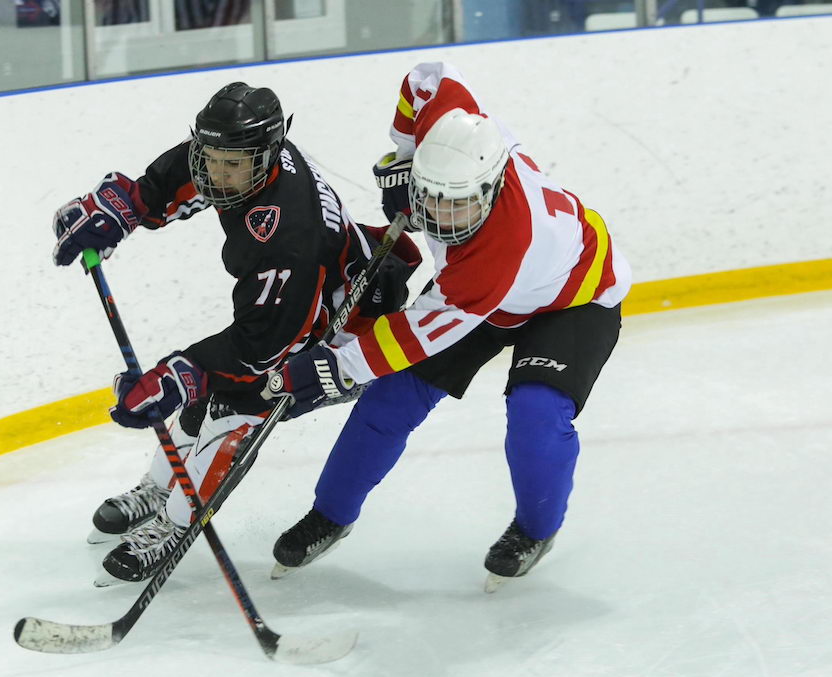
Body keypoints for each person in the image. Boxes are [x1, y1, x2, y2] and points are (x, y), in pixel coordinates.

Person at [265, 62, 632, 592]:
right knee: (391, 399)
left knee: (536, 413)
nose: (438, 216)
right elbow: (427, 79)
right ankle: (330, 514)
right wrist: (405, 155)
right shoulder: (453, 130)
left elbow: (417, 332)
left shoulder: (498, 250)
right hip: (488, 292)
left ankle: (535, 530)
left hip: (574, 298)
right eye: (428, 196)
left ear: (491, 187)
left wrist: (334, 367)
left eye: (456, 205)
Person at [51, 81, 419, 585]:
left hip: (346, 330)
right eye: (211, 158)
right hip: (298, 304)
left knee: (235, 403)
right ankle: (160, 489)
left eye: (231, 165)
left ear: (265, 157)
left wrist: (182, 374)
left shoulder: (287, 232)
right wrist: (128, 204)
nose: (216, 174)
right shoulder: (244, 155)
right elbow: (186, 173)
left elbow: (263, 348)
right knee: (203, 394)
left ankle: (175, 523)